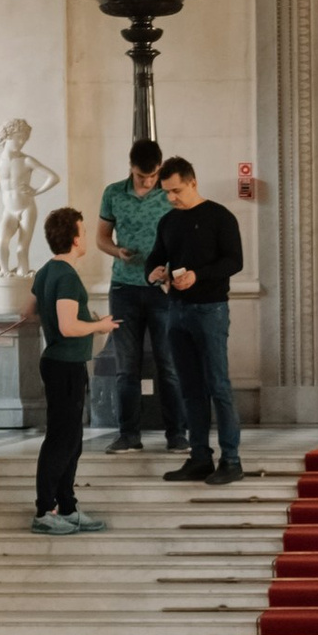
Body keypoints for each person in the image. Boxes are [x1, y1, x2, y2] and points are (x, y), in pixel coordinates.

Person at [149, 157, 245, 483]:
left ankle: (231, 461)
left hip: (211, 309)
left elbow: (234, 261)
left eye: (176, 190)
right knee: (189, 388)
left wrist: (197, 275)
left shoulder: (220, 217)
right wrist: (155, 270)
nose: (172, 197)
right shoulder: (168, 221)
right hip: (176, 311)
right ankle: (199, 456)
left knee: (218, 385)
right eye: (167, 193)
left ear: (193, 182)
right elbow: (156, 256)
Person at [95, 136, 182, 454]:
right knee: (125, 367)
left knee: (168, 364)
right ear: (130, 168)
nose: (147, 182)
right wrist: (117, 252)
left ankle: (177, 435)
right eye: (141, 176)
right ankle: (128, 435)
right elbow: (101, 238)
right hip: (124, 289)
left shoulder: (169, 194)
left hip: (161, 290)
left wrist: (173, 271)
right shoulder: (113, 193)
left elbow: (183, 236)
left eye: (152, 175)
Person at [28, 207, 112, 536]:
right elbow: (67, 327)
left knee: (71, 440)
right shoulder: (65, 276)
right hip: (65, 365)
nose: (86, 237)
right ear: (76, 239)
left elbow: (29, 311)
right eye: (84, 231)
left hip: (62, 364)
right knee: (62, 440)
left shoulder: (46, 272)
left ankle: (68, 506)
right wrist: (99, 325)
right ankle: (44, 510)